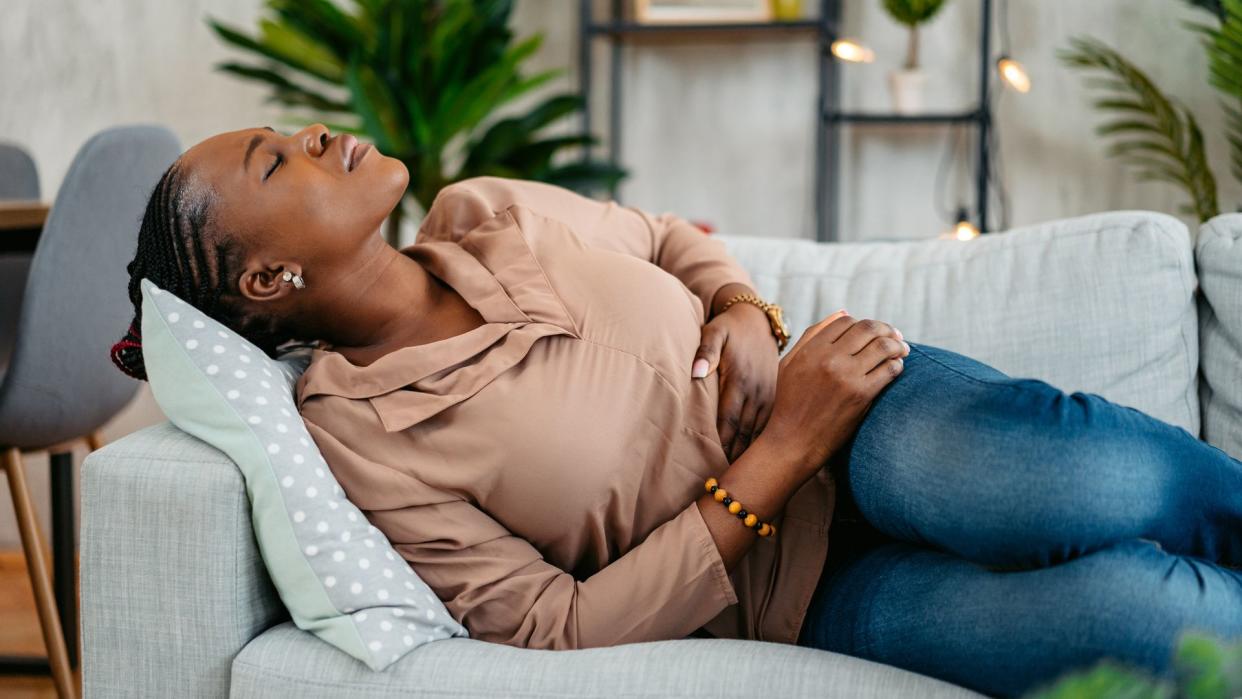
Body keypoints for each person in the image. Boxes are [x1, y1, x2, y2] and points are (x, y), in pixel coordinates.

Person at [109, 125, 1242, 697]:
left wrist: (743, 307)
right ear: (268, 283)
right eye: (277, 161)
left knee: (1080, 482)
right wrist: (775, 458)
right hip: (799, 588)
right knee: (1136, 622)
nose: (315, 135)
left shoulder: (489, 209)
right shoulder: (363, 440)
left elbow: (661, 236)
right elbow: (554, 630)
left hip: (866, 421)